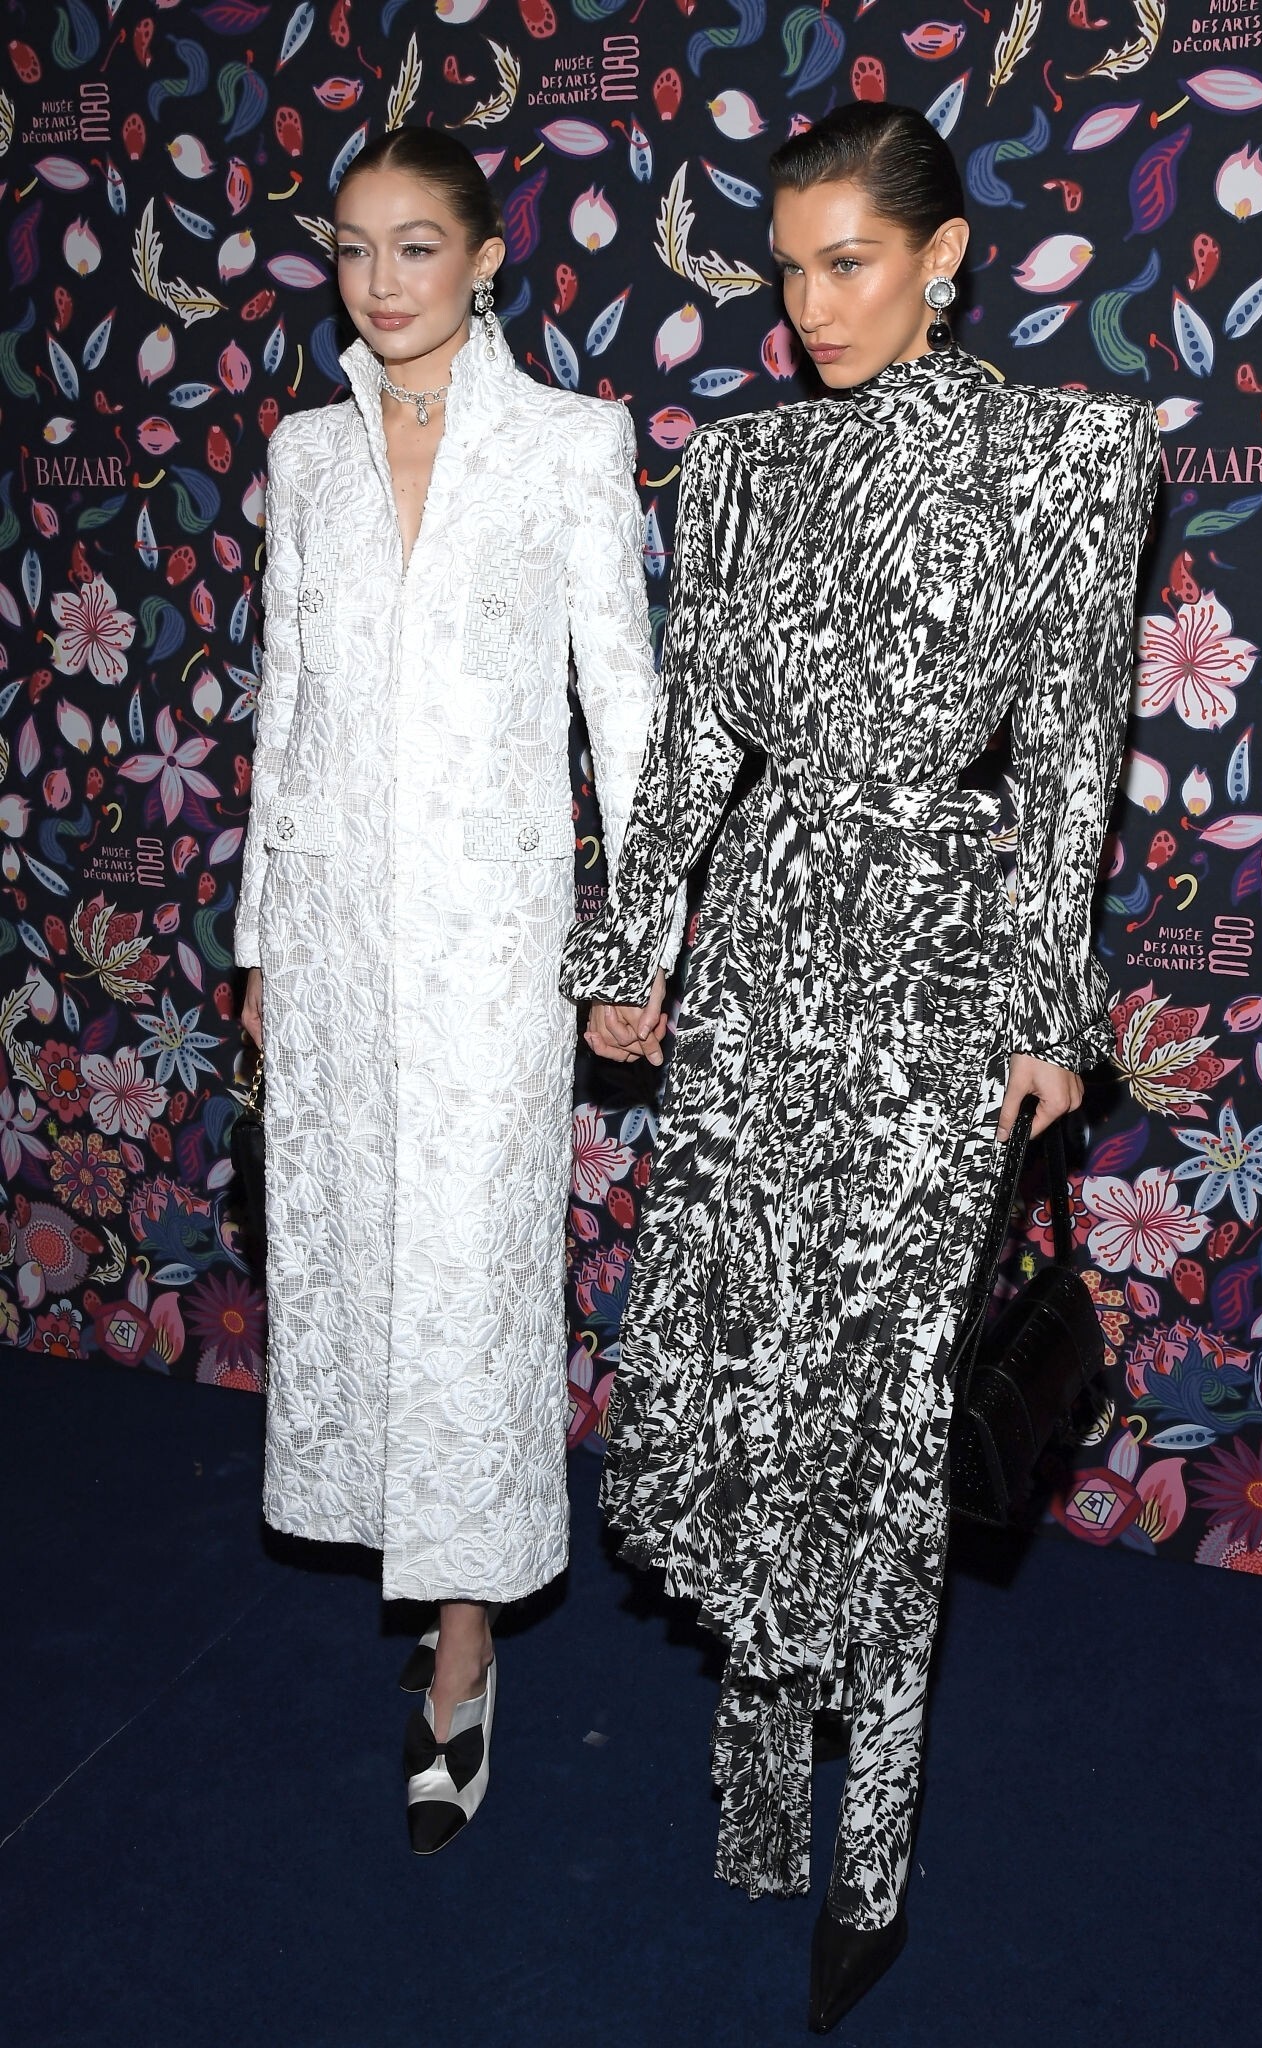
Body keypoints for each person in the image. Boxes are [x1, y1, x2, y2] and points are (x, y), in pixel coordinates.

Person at [563, 101, 1160, 2031]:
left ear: (942, 257)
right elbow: (694, 742)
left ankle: (873, 1863)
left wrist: (1048, 1013)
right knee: (755, 1376)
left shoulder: (1069, 458)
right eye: (791, 269)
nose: (813, 305)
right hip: (756, 966)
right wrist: (628, 950)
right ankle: (756, 1806)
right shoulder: (737, 465)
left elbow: (1068, 759)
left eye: (853, 263)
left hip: (933, 979)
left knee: (885, 1418)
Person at [235, 127, 667, 1854]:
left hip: (494, 947)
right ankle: (410, 1569)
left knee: (475, 1277)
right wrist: (260, 939)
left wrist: (635, 942)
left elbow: (622, 705)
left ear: (486, 257)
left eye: (416, 245)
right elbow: (284, 713)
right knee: (360, 1258)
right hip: (335, 937)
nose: (381, 281)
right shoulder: (307, 455)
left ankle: (466, 1641)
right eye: (352, 248)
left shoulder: (569, 441)